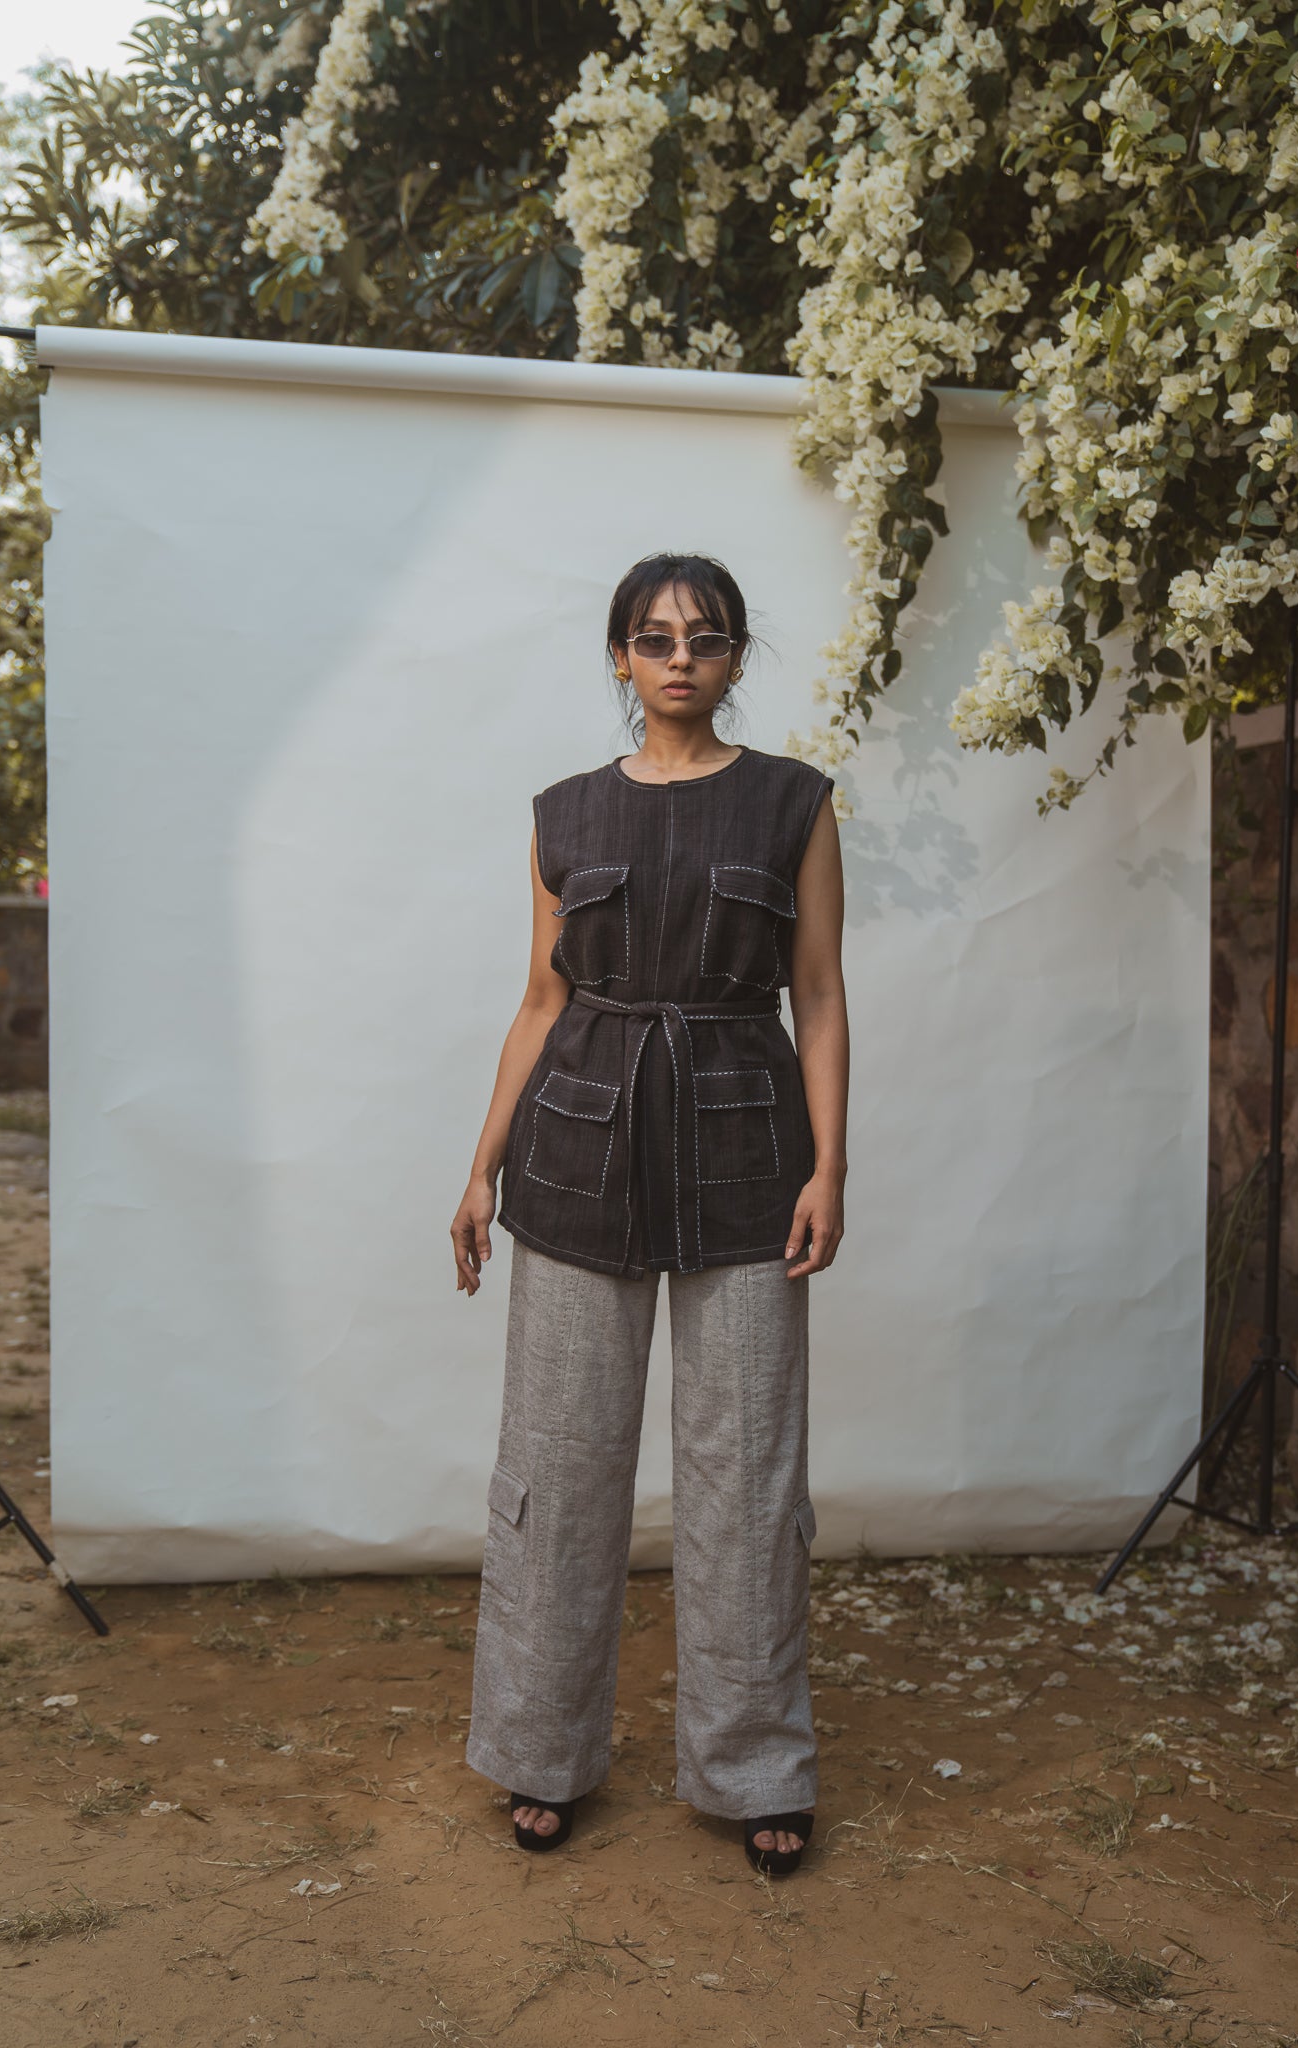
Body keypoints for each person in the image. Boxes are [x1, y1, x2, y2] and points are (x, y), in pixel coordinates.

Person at [450, 551, 849, 1878]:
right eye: (656, 637)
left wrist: (831, 1166)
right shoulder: (562, 813)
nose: (681, 657)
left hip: (748, 1151)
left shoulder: (794, 803)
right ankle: (540, 1750)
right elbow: (541, 1001)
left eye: (706, 636)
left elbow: (818, 993)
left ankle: (756, 1768)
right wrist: (479, 1166)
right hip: (575, 1154)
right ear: (620, 657)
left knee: (748, 1476)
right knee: (560, 1470)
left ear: (735, 657)